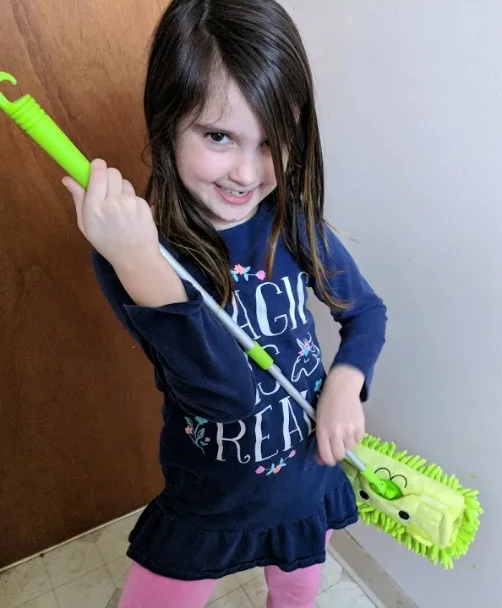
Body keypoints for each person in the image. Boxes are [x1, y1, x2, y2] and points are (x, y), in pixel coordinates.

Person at [62, 0, 387, 605]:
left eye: (273, 141)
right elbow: (226, 397)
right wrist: (136, 259)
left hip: (303, 483)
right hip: (208, 501)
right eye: (218, 136)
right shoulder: (133, 255)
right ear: (167, 124)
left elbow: (366, 312)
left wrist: (345, 380)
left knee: (294, 597)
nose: (246, 171)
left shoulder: (292, 225)